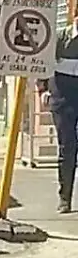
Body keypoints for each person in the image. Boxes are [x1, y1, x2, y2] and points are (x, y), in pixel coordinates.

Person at [42, 25, 78, 213]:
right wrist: (44, 89)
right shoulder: (60, 38)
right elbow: (44, 64)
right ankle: (65, 197)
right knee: (68, 147)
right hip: (63, 98)